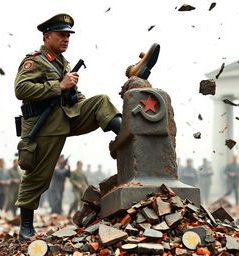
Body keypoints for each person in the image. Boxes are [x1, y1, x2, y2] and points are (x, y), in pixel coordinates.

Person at [14, 13, 158, 241]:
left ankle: (125, 136)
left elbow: (74, 96)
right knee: (37, 178)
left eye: (68, 36)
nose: (66, 39)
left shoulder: (63, 63)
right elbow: (21, 89)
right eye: (61, 35)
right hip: (43, 125)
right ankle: (26, 228)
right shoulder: (35, 60)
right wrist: (58, 85)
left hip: (67, 115)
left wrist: (78, 99)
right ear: (46, 36)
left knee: (100, 102)